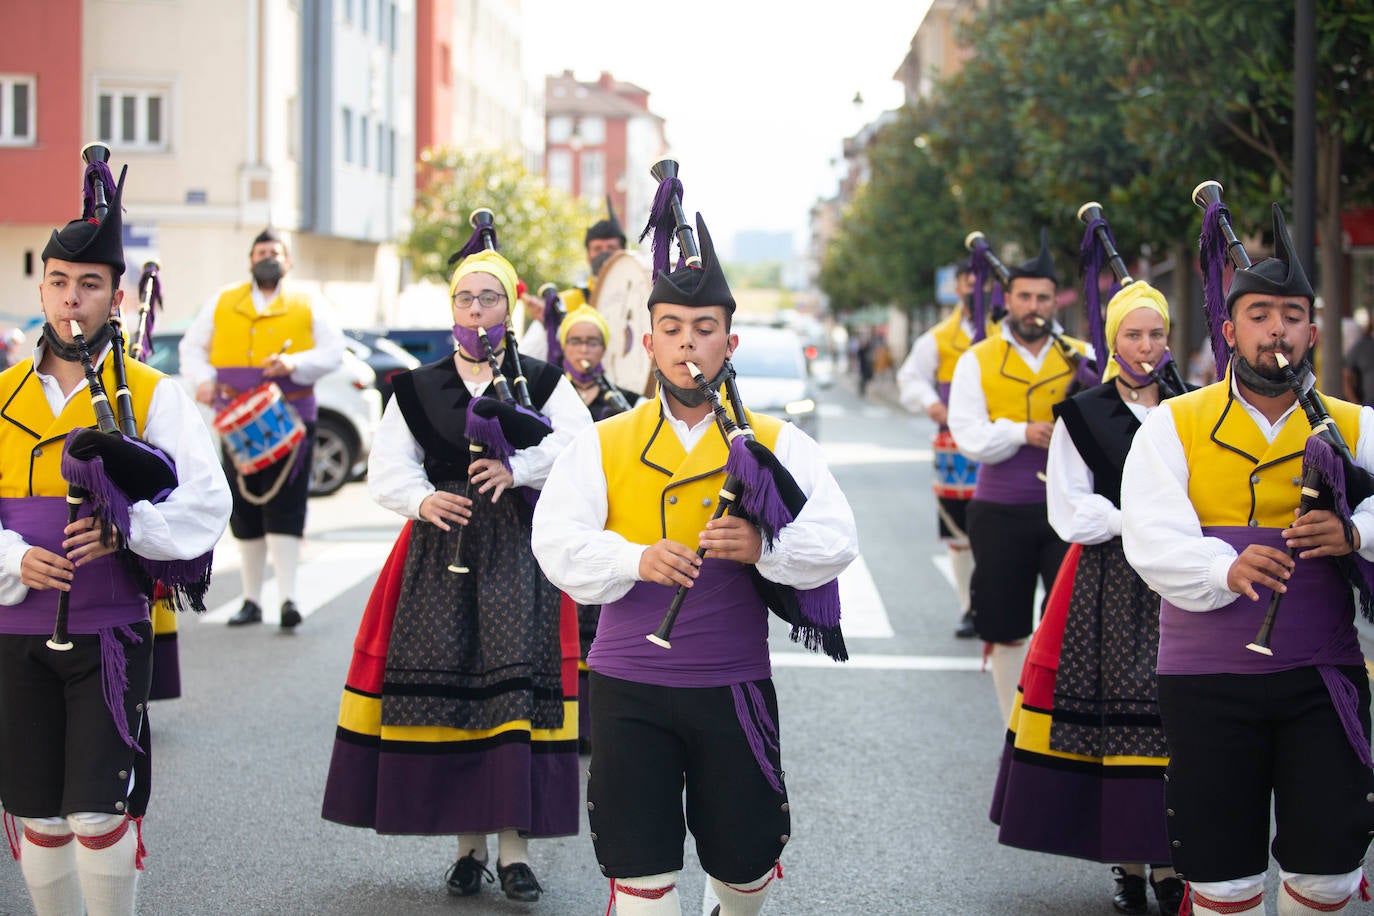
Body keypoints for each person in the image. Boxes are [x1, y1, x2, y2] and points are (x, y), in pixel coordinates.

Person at [531, 213, 858, 916]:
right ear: (647, 342)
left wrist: (763, 547)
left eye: (704, 328)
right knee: (641, 870)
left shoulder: (773, 441)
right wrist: (635, 558)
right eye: (673, 327)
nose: (688, 343)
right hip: (628, 685)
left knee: (746, 864)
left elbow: (837, 537)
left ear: (729, 341)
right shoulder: (603, 441)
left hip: (731, 684)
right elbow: (555, 541)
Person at [1121, 204, 1374, 915]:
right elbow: (1150, 534)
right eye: (1260, 315)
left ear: (1313, 332)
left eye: (1293, 315)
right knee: (1223, 878)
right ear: (1230, 333)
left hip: (1323, 678)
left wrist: (1355, 534)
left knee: (1327, 871)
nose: (1278, 330)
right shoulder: (1176, 422)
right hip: (1206, 680)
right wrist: (1222, 569)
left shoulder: (1354, 426)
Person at [320, 245, 590, 903]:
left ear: (508, 308)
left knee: (510, 691)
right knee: (457, 693)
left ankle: (515, 852)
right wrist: (422, 499)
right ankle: (469, 850)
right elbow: (389, 466)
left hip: (516, 553)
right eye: (465, 299)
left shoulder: (543, 382)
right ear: (453, 309)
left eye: (489, 299)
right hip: (440, 554)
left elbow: (582, 447)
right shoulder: (415, 386)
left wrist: (517, 469)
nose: (476, 310)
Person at [0, 153, 230, 916]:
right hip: (11, 629)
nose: (73, 300)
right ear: (41, 288)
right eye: (60, 282)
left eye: (90, 285)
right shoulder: (0, 395)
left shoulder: (154, 395)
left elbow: (206, 504)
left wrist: (130, 528)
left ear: (115, 296)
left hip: (109, 634)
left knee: (99, 813)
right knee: (34, 812)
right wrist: (13, 557)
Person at [989, 281, 1183, 916]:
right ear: (1111, 340)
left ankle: (1173, 859)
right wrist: (1139, 522)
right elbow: (1070, 509)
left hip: (1187, 581)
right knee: (1118, 717)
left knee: (1179, 720)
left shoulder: (1194, 407)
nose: (1146, 346)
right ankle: (1130, 864)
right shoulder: (1082, 411)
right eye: (1134, 334)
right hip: (1112, 582)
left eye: (1157, 334)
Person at [947, 232, 1088, 726]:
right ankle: (1014, 725)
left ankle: (1057, 723)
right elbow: (969, 435)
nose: (1033, 306)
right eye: (1025, 296)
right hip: (1001, 510)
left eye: (1043, 297)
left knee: (1069, 623)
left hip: (1069, 512)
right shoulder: (977, 358)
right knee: (1005, 626)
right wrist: (1022, 432)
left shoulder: (1083, 358)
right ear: (1009, 300)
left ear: (1056, 301)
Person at [179, 228, 345, 629]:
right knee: (246, 507)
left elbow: (334, 351)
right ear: (250, 259)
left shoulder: (309, 302)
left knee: (287, 506)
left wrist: (294, 364)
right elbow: (192, 347)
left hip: (289, 417)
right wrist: (200, 379)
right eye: (260, 251)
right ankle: (251, 600)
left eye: (274, 251)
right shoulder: (223, 300)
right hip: (236, 420)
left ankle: (288, 598)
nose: (267, 256)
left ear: (287, 261)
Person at [553, 303, 643, 755]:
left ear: (604, 349)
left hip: (608, 519)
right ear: (562, 346)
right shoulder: (546, 397)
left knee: (596, 618)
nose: (583, 350)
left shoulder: (618, 404)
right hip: (561, 519)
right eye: (575, 340)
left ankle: (592, 722)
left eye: (592, 342)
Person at [896, 260, 981, 638]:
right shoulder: (941, 337)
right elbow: (910, 378)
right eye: (969, 282)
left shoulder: (1007, 333)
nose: (976, 289)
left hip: (1006, 443)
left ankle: (994, 601)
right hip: (955, 445)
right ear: (958, 286)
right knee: (959, 531)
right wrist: (932, 403)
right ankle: (969, 606)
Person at [520, 200, 626, 363]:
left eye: (611, 248)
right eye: (597, 249)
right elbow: (527, 356)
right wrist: (546, 326)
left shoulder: (641, 295)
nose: (604, 254)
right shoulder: (564, 302)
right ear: (588, 256)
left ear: (622, 253)